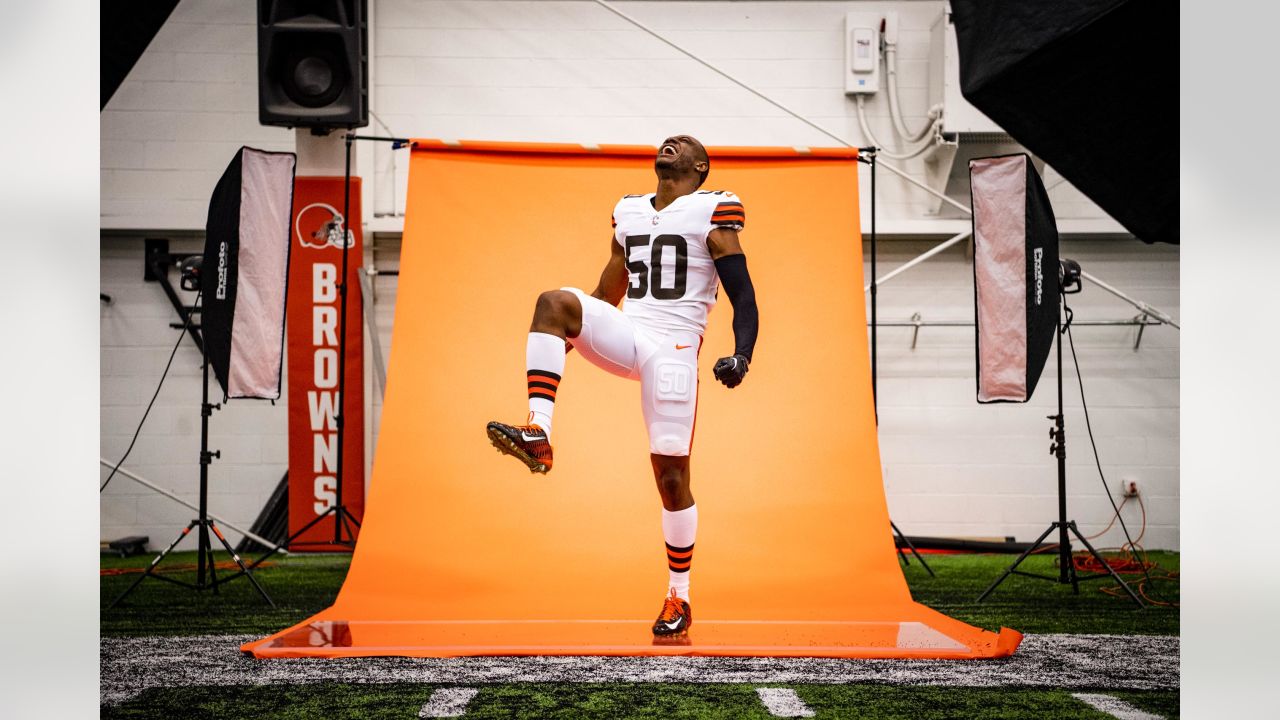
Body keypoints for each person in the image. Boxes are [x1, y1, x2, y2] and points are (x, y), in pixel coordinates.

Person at [486, 135, 759, 637]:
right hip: (632, 333)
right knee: (555, 301)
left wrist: (742, 353)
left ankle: (680, 595)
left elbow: (743, 294)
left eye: (684, 144)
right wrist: (563, 336)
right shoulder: (628, 211)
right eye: (666, 140)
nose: (670, 142)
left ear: (702, 166)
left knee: (671, 478)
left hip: (674, 348)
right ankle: (538, 432)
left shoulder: (714, 207)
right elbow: (605, 295)